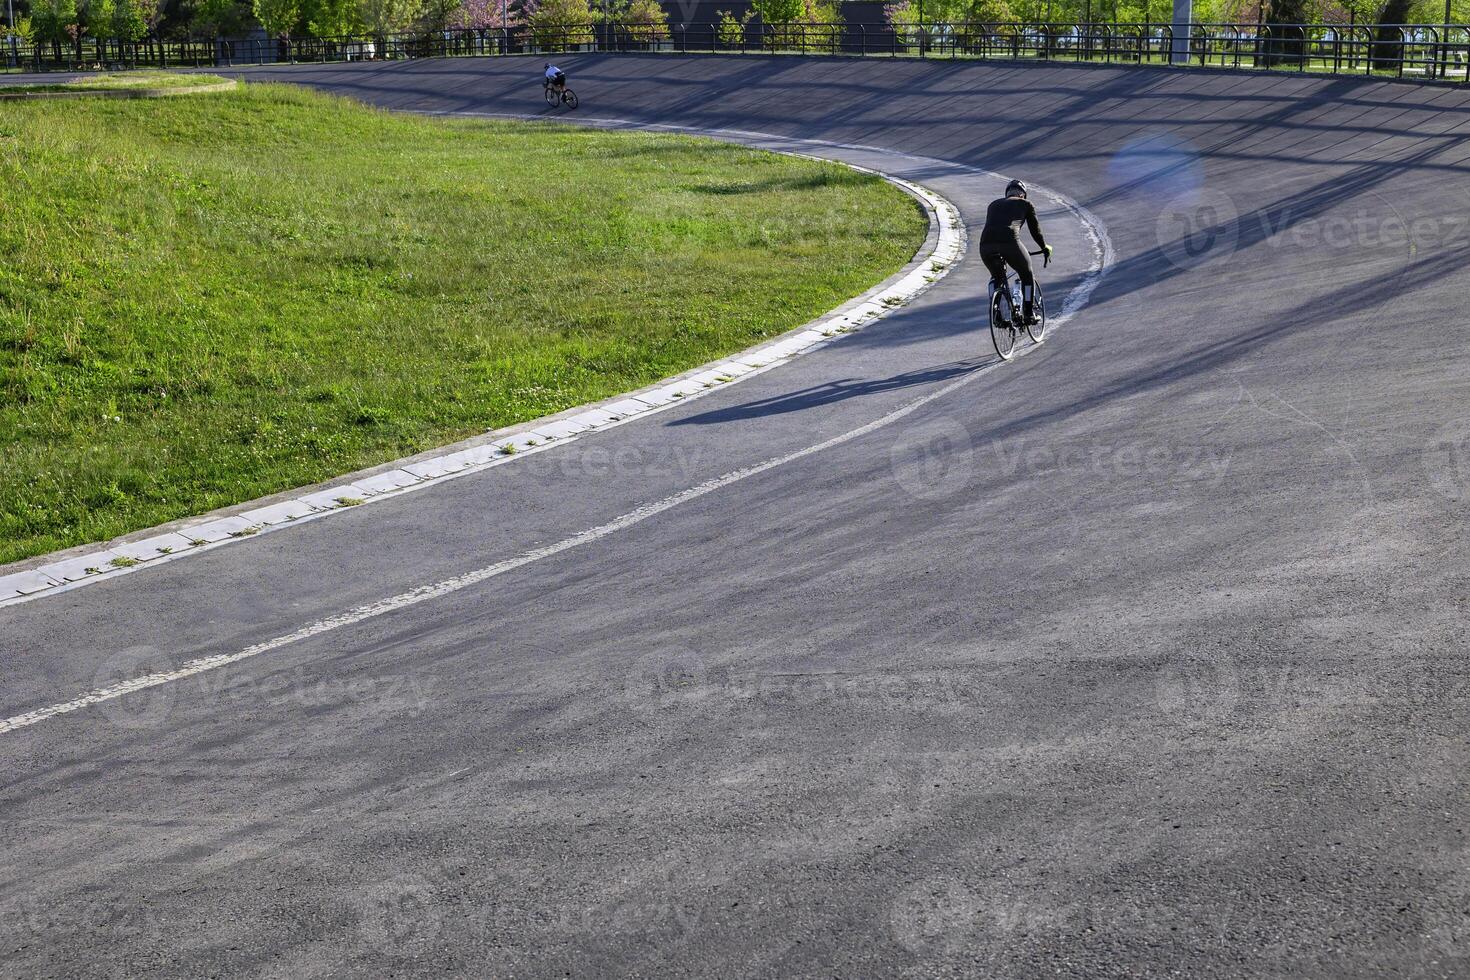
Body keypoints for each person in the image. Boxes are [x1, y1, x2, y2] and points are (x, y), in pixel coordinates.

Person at [979, 179, 1053, 326]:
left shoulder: (993, 204)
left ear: (1007, 194)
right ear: (1023, 195)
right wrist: (1044, 247)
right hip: (1010, 243)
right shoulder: (1026, 204)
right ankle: (1028, 313)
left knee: (997, 276)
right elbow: (1035, 231)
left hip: (985, 245)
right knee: (1026, 273)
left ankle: (996, 314)